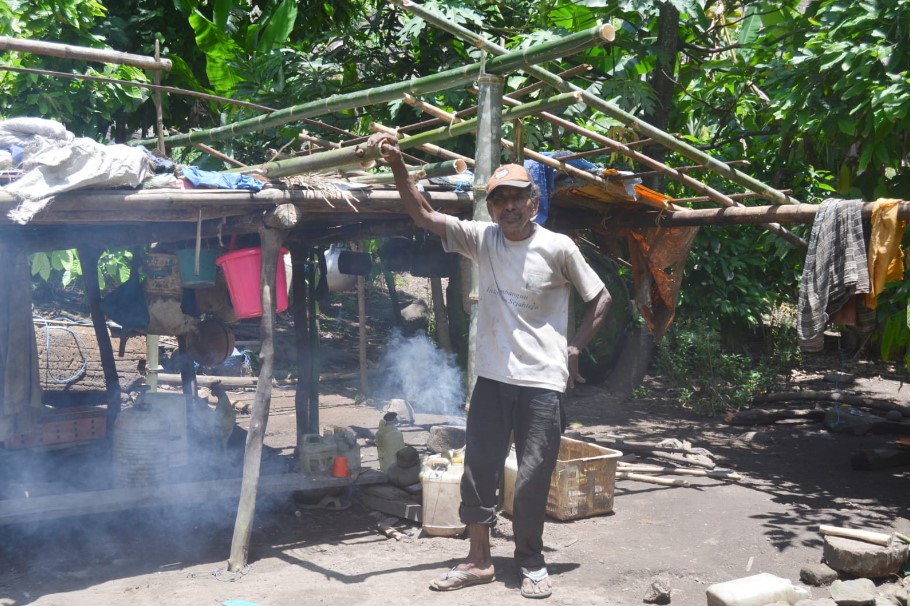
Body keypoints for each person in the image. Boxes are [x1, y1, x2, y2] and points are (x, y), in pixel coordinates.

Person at [367, 133, 611, 600]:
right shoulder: (484, 239)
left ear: (533, 202)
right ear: (491, 207)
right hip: (493, 380)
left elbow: (601, 297)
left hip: (542, 384)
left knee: (533, 477)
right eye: (500, 200)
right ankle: (479, 560)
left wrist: (575, 348)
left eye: (517, 198)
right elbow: (423, 215)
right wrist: (398, 165)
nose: (509, 207)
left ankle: (531, 561)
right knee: (479, 472)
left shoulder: (558, 247)